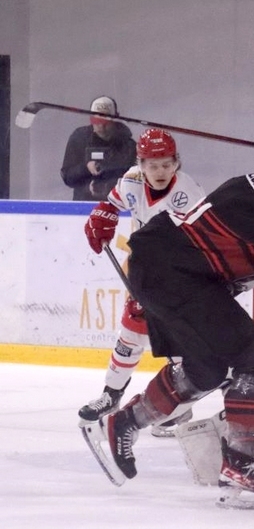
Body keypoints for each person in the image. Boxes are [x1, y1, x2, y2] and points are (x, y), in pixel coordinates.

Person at [83, 144, 254, 509]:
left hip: (163, 266)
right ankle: (238, 469)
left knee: (206, 369)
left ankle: (124, 423)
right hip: (175, 277)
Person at [79, 128, 206, 437]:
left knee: (180, 344)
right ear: (141, 164)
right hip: (145, 273)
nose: (160, 171)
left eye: (166, 164)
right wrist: (102, 216)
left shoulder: (188, 194)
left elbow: (198, 244)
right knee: (131, 335)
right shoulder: (132, 180)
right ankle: (111, 395)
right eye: (152, 164)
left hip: (181, 276)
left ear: (177, 163)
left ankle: (179, 406)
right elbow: (111, 203)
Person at [60, 96, 137, 201]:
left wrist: (110, 186)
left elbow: (136, 180)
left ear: (115, 119)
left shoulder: (128, 145)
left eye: (106, 121)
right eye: (96, 120)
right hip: (84, 205)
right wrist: (85, 168)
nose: (101, 125)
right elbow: (67, 177)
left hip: (117, 204)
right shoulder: (79, 139)